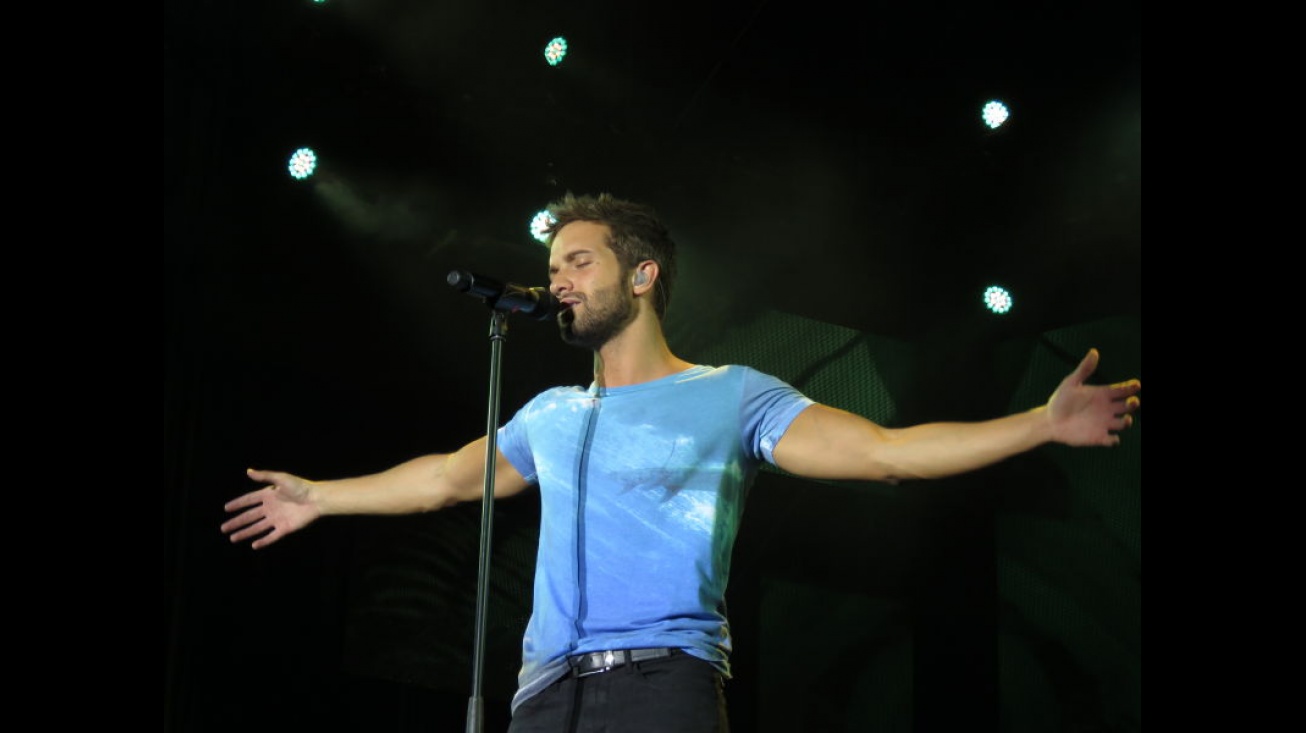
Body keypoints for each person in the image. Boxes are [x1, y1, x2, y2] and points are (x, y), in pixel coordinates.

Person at [221, 192, 1141, 733]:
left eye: (579, 260)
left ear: (644, 274)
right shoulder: (550, 412)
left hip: (661, 684)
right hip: (543, 694)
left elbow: (884, 453)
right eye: (554, 265)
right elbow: (447, 476)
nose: (558, 282)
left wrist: (1036, 424)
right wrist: (320, 496)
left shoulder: (729, 393)